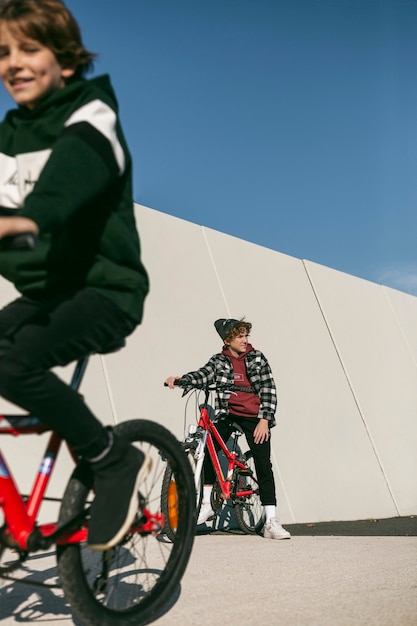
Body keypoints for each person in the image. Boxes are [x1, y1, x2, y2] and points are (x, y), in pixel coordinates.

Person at [0, 0, 151, 551]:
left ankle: (114, 460)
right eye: (2, 53)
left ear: (65, 61)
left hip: (106, 292)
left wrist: (27, 219)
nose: (13, 63)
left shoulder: (92, 112)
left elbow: (69, 179)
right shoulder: (9, 135)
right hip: (49, 294)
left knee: (12, 362)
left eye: (28, 48)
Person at [165, 317, 291, 540]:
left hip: (254, 417)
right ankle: (207, 504)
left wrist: (265, 420)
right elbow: (203, 375)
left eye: (246, 336)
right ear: (227, 339)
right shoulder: (219, 361)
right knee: (208, 447)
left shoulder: (257, 358)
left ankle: (270, 520)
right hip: (229, 414)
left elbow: (269, 388)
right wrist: (181, 379)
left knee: (263, 463)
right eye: (240, 336)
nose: (245, 340)